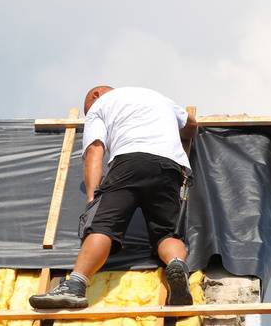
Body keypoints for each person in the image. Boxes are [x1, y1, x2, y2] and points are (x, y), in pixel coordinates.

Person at [29, 86, 198, 309]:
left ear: (96, 95)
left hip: (129, 162)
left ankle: (75, 285)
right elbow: (192, 125)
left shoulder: (100, 105)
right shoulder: (157, 97)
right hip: (171, 168)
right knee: (167, 233)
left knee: (102, 227)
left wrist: (92, 199)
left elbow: (95, 150)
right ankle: (176, 265)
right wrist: (183, 136)